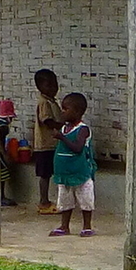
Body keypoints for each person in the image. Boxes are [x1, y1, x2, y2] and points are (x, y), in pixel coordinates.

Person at [49, 93, 96, 236]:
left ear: (76, 112)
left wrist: (61, 138)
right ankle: (64, 226)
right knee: (65, 200)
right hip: (65, 173)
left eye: (65, 109)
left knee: (85, 199)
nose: (62, 112)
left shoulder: (82, 129)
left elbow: (78, 148)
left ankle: (87, 226)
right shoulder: (64, 128)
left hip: (80, 172)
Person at [32, 69, 64, 217]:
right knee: (44, 175)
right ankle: (43, 202)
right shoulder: (44, 102)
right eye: (48, 85)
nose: (53, 88)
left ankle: (52, 200)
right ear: (40, 87)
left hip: (53, 145)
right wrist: (61, 127)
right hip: (45, 146)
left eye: (55, 84)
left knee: (51, 173)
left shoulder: (52, 102)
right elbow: (47, 121)